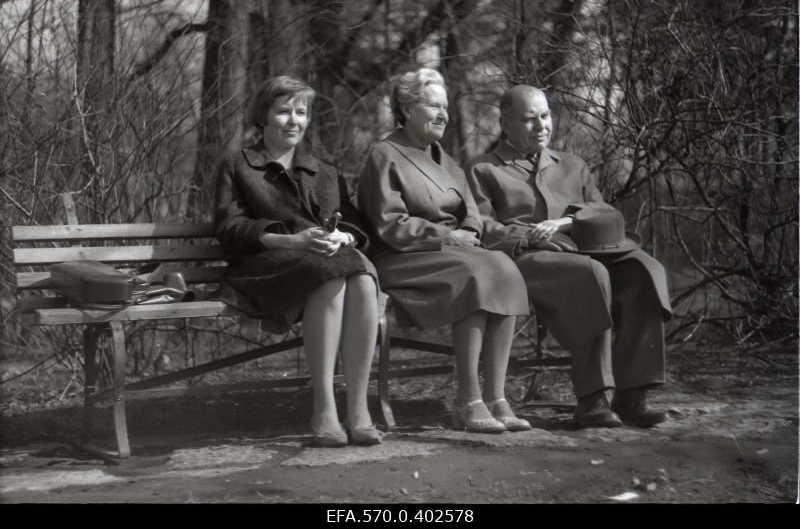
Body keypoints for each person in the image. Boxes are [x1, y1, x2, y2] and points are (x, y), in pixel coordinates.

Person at [466, 85, 672, 428]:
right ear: (505, 123)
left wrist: (567, 221)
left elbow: (605, 213)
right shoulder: (483, 169)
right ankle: (592, 399)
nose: (541, 126)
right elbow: (482, 226)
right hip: (524, 261)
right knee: (590, 274)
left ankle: (633, 394)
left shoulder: (573, 165)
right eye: (529, 119)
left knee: (643, 269)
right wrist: (529, 237)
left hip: (586, 248)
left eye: (545, 116)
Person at [357, 68, 531, 433]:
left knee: (503, 266)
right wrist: (448, 238)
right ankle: (468, 399)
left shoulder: (443, 158)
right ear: (405, 109)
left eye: (445, 107)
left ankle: (497, 397)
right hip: (402, 257)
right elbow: (390, 225)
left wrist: (468, 232)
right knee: (475, 273)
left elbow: (472, 212)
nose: (443, 114)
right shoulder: (384, 154)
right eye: (433, 105)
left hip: (452, 252)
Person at [214, 76, 382, 447]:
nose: (293, 120)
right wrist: (292, 240)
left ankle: (358, 410)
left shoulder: (324, 171)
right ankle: (323, 408)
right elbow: (229, 229)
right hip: (262, 266)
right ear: (263, 117)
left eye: (301, 112)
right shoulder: (240, 165)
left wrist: (346, 236)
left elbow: (355, 220)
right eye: (283, 111)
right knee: (331, 274)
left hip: (325, 261)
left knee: (362, 278)